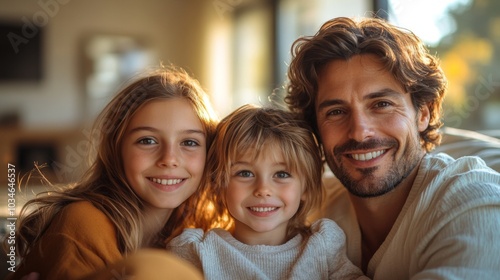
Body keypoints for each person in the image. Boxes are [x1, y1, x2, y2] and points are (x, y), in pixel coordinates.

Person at [285, 16, 500, 279]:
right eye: (336, 111)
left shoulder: (474, 202)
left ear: (423, 113)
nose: (360, 132)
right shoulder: (307, 206)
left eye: (381, 104)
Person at [5, 66, 223, 280]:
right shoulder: (83, 221)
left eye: (189, 142)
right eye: (147, 140)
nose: (169, 159)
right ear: (116, 149)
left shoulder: (200, 231)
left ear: (210, 154)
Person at [167, 104, 368, 280]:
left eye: (281, 174)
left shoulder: (322, 246)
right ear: (218, 184)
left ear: (305, 187)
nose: (263, 190)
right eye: (244, 173)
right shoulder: (196, 252)